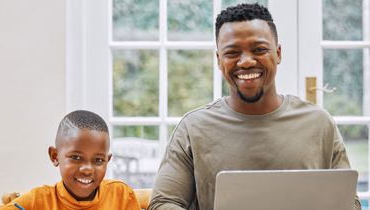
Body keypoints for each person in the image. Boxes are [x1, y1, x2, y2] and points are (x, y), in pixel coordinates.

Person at [148, 3, 361, 210]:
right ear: (218, 59)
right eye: (232, 52)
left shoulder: (319, 123)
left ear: (278, 53)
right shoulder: (193, 128)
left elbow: (350, 202)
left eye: (259, 49)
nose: (247, 62)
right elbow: (162, 203)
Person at [0, 110, 141, 210]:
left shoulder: (121, 196)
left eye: (98, 160)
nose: (87, 169)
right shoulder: (37, 201)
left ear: (107, 161)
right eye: (76, 157)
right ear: (55, 156)